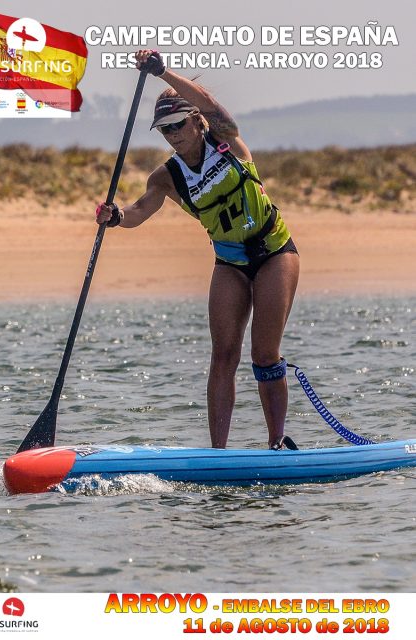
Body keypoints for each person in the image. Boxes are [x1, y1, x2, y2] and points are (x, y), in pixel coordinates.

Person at [96, 50, 300, 450]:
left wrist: (161, 72)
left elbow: (210, 101)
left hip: (274, 252)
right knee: (223, 355)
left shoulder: (225, 137)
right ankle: (218, 454)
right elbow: (140, 209)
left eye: (178, 124)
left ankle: (277, 443)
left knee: (263, 353)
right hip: (230, 261)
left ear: (196, 120)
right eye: (164, 129)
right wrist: (115, 216)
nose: (173, 134)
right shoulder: (167, 177)